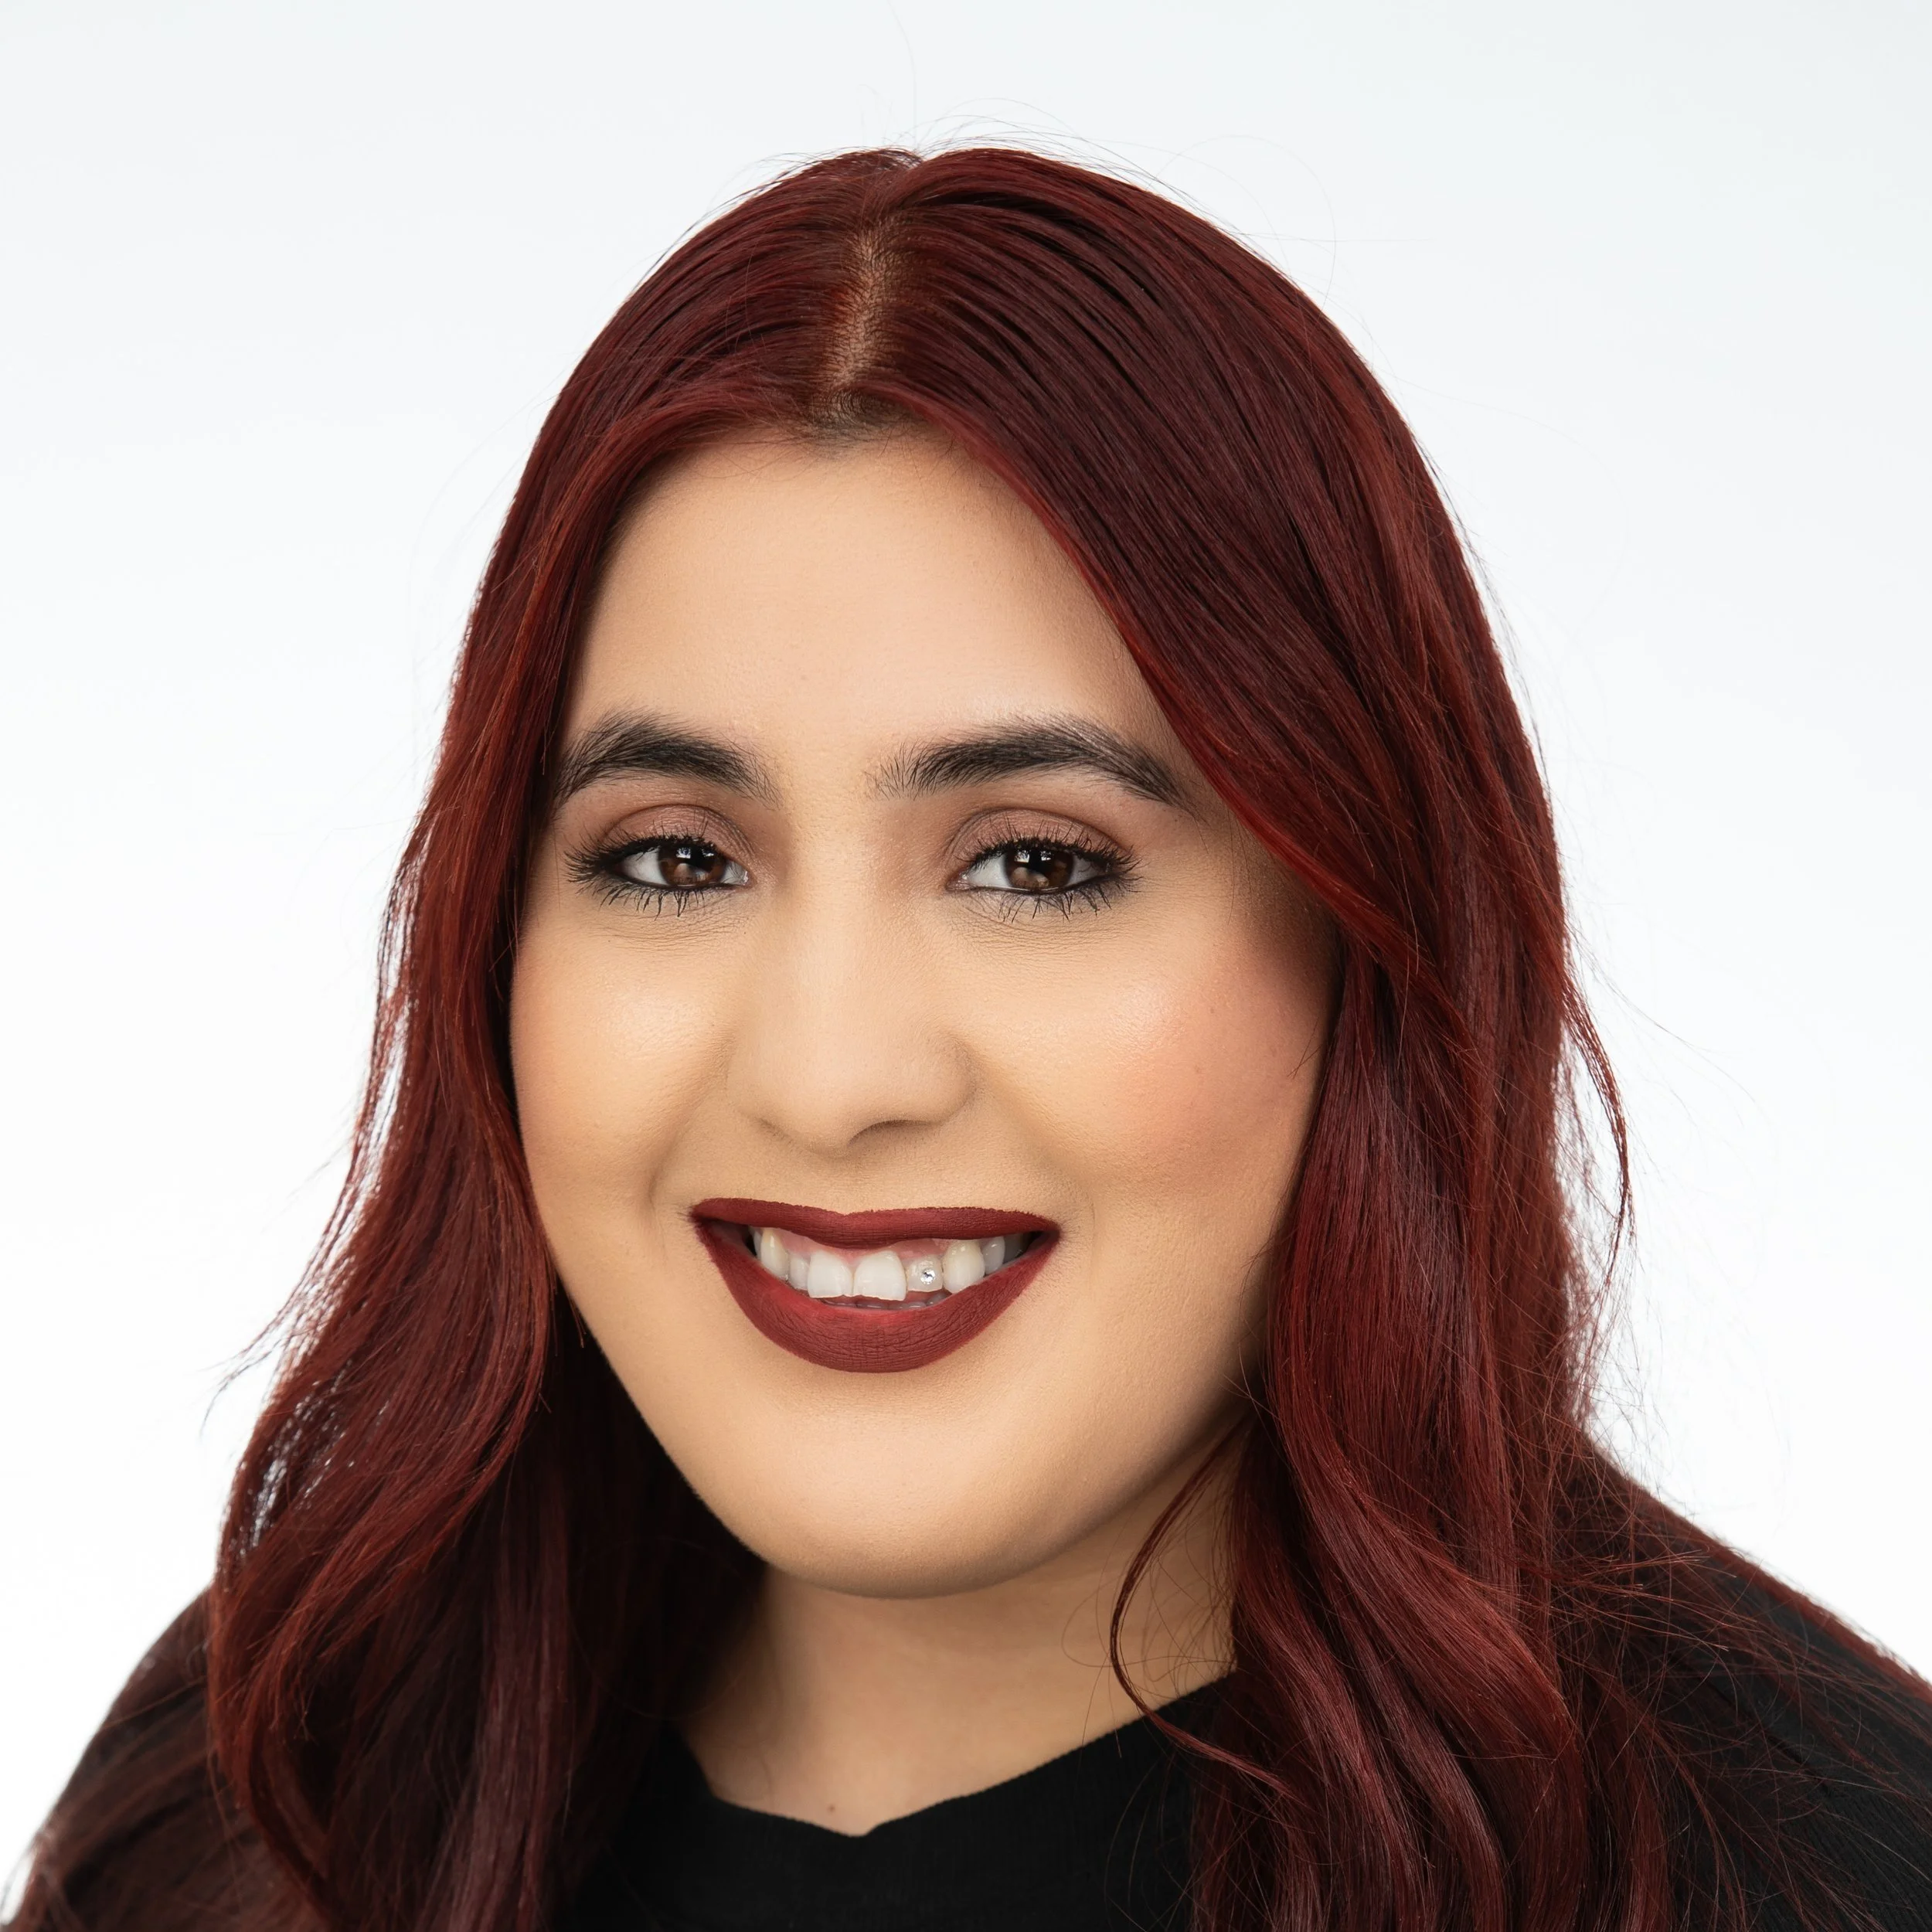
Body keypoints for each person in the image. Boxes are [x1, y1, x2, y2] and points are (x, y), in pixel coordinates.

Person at [12, 145, 1931, 1932]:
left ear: (1370, 943)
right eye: (675, 858)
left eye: (1036, 863)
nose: (833, 1076)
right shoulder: (264, 1793)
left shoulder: (1814, 1869)